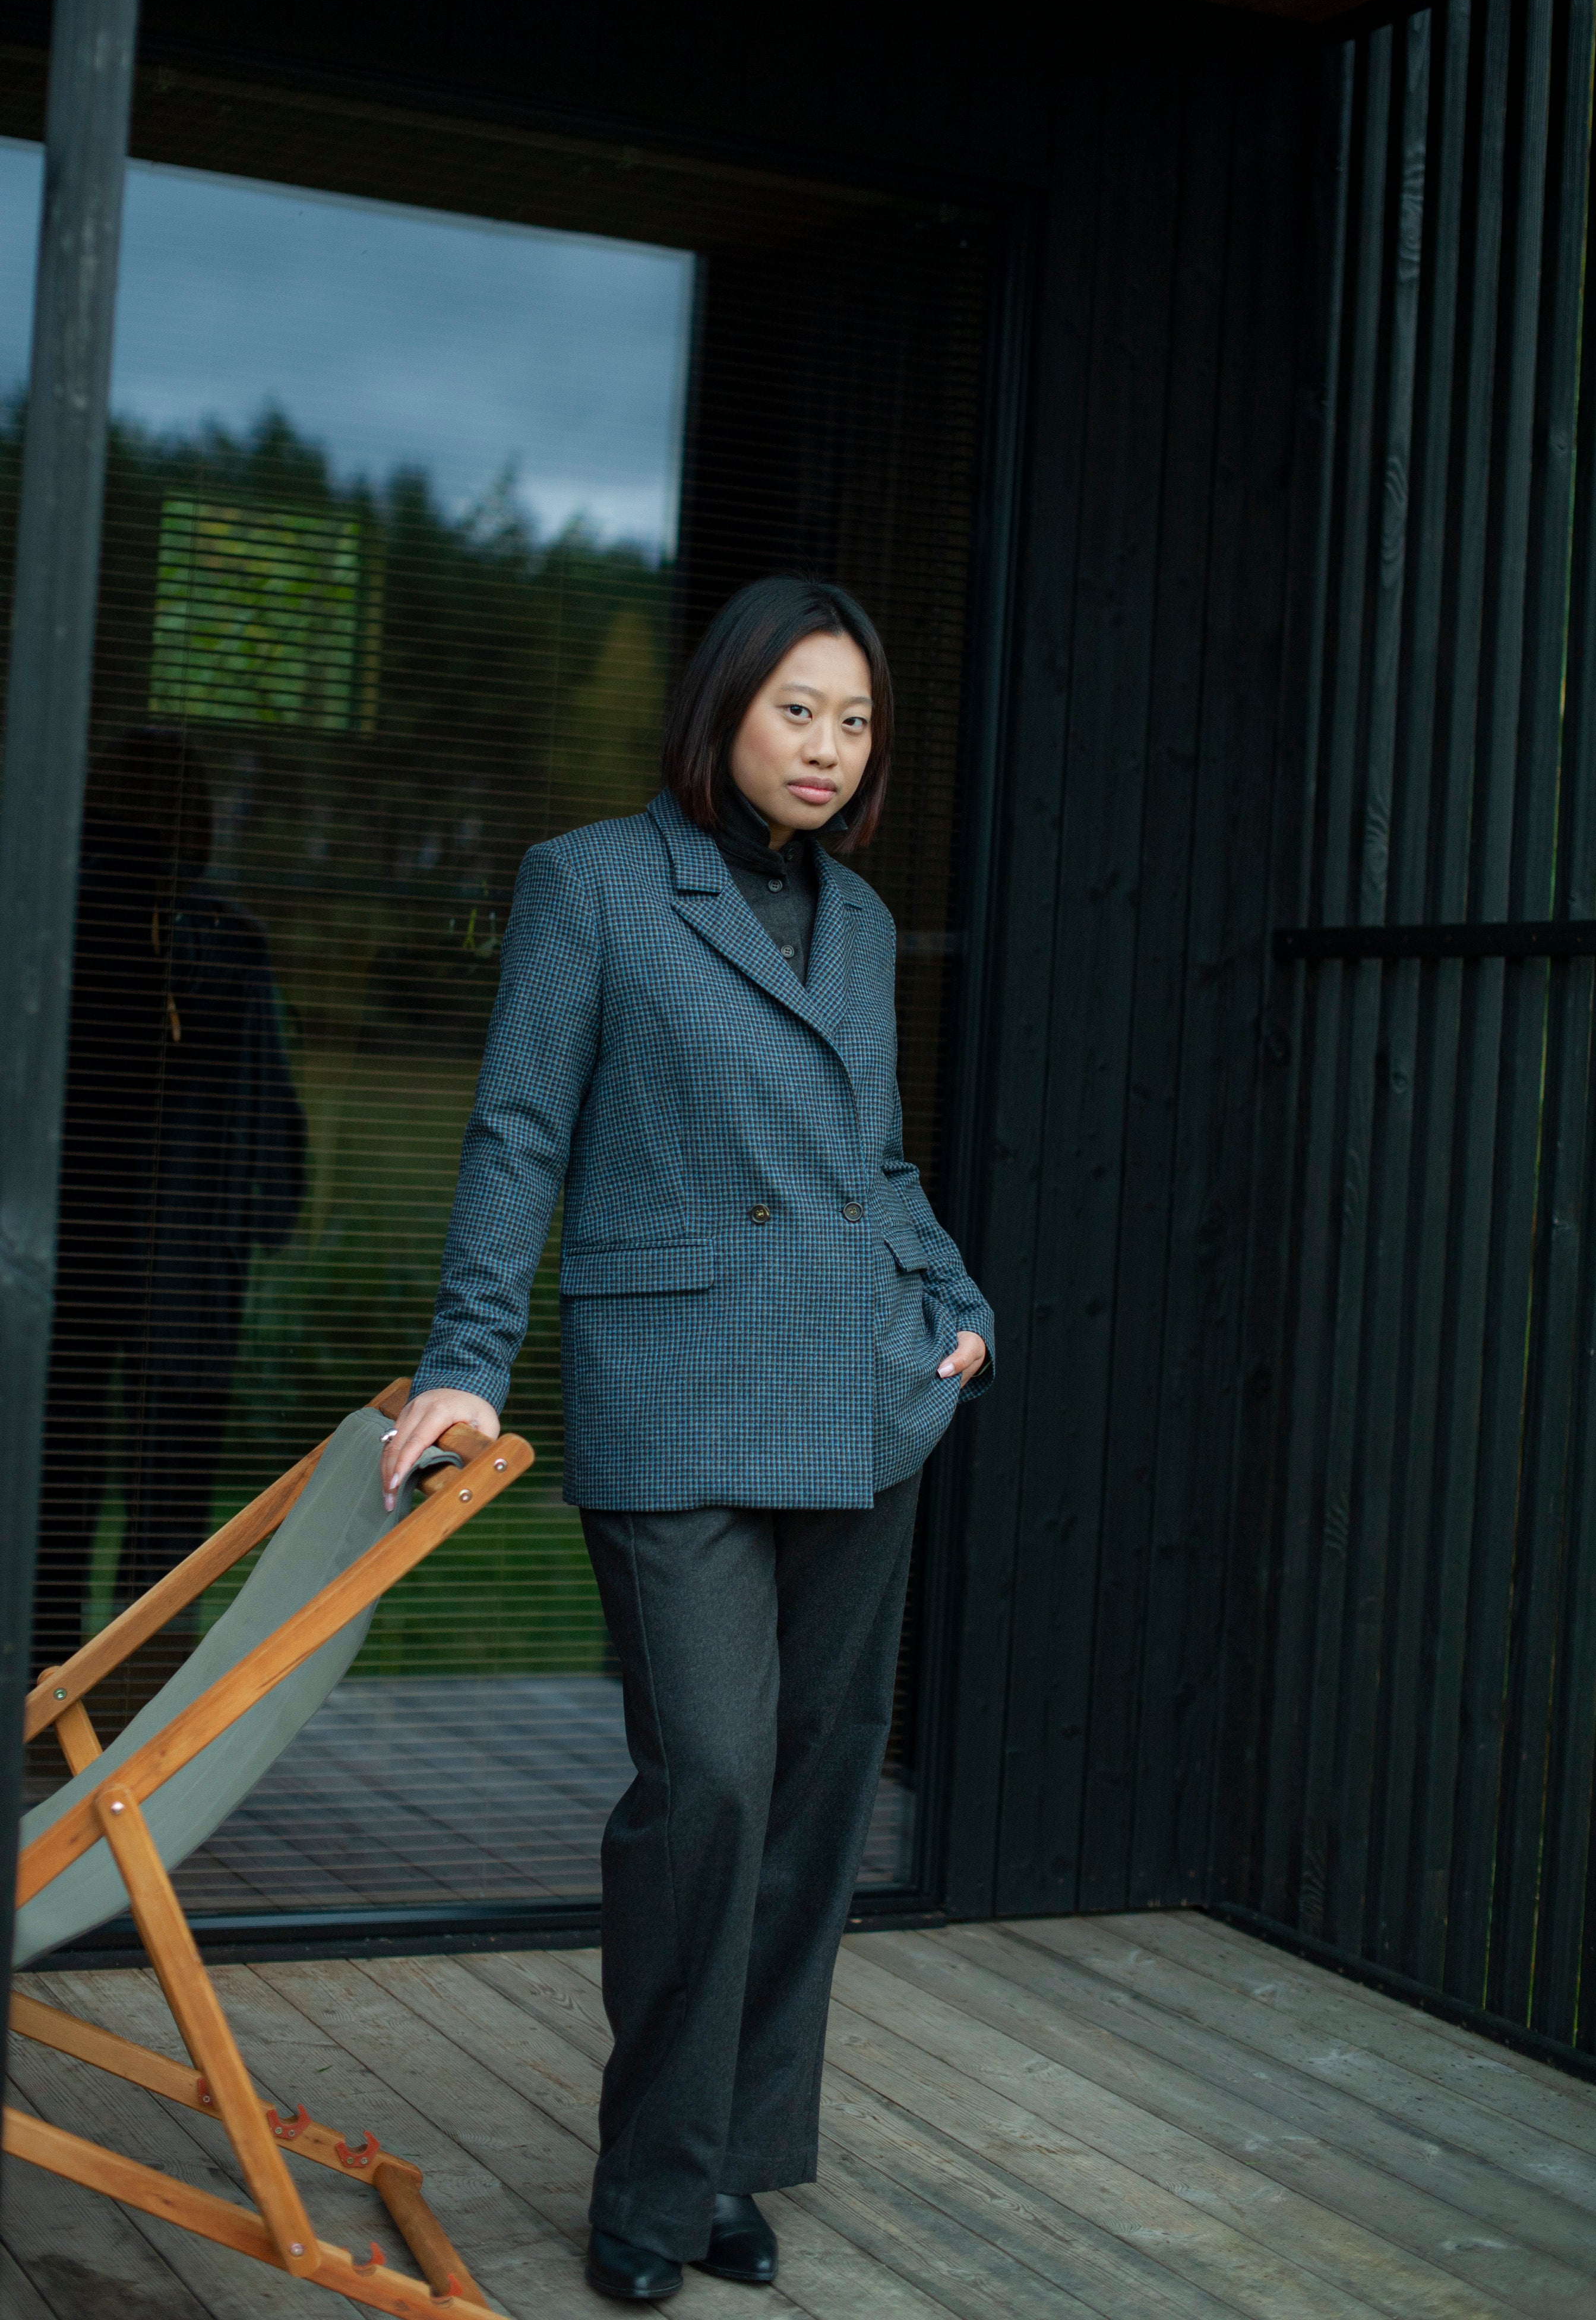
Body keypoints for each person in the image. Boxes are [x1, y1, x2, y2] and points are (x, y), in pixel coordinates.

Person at [382, 577, 994, 2302]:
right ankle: (652, 2191)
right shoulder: (591, 882)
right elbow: (518, 1131)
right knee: (710, 1783)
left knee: (811, 1799)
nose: (827, 746)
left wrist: (960, 1311)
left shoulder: (859, 924)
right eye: (799, 708)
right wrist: (467, 1361)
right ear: (727, 707)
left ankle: (728, 2158)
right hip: (675, 1394)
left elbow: (874, 1164)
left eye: (856, 720)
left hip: (869, 1389)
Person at [33, 725, 307, 1679]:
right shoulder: (224, 942)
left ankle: (39, 1686)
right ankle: (135, 1706)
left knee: (51, 1471)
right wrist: (261, 1218)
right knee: (166, 1497)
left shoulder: (43, 924)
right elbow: (271, 1134)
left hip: (57, 1246)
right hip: (182, 1253)